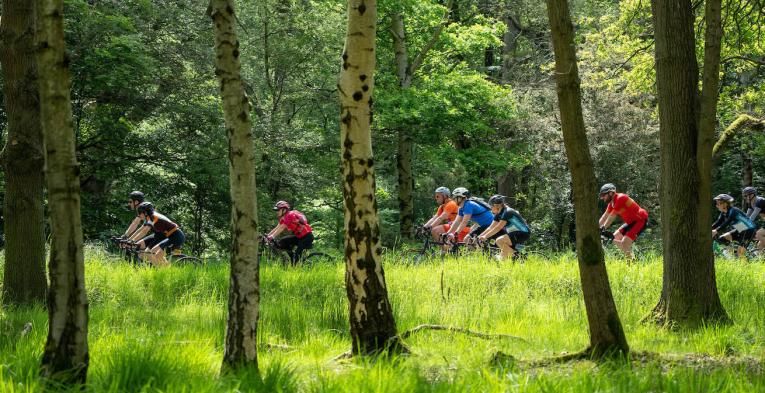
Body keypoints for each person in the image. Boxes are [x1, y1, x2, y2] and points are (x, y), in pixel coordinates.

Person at [598, 183, 649, 259]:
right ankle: (632, 257)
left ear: (611, 193)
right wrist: (595, 228)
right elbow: (604, 216)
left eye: (603, 195)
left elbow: (612, 216)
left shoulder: (620, 198)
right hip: (630, 222)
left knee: (625, 242)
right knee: (614, 238)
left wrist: (603, 228)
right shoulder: (611, 203)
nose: (602, 198)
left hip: (640, 219)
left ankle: (631, 263)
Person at [477, 195, 531, 260]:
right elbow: (491, 227)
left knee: (499, 240)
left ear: (497, 206)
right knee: (501, 259)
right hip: (514, 233)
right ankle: (517, 259)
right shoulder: (498, 214)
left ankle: (518, 258)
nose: (490, 208)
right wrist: (480, 236)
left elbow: (498, 227)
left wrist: (485, 237)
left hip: (522, 233)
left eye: (491, 206)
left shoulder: (507, 212)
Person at [134, 202, 186, 267]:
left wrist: (133, 241)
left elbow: (144, 231)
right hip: (171, 236)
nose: (139, 215)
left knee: (155, 254)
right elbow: (143, 229)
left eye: (139, 213)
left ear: (145, 213)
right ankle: (166, 268)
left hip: (176, 237)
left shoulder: (154, 218)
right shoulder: (152, 217)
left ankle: (164, 270)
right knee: (151, 252)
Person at [266, 201, 314, 265]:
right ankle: (291, 257)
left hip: (307, 237)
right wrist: (268, 235)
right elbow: (277, 228)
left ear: (284, 210)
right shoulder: (283, 218)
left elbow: (282, 228)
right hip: (300, 237)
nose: (277, 212)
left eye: (278, 210)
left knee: (298, 255)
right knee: (283, 241)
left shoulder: (290, 215)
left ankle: (295, 267)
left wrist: (272, 236)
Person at [712, 194, 756, 258]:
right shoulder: (723, 213)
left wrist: (716, 230)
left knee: (740, 253)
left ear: (725, 204)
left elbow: (727, 222)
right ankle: (732, 258)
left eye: (718, 204)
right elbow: (718, 222)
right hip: (740, 228)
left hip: (749, 229)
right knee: (722, 238)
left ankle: (743, 264)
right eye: (716, 204)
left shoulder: (733, 211)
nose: (717, 206)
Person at [742, 187, 765, 251]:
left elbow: (752, 217)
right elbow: (746, 217)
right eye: (744, 196)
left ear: (752, 195)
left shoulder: (760, 201)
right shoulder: (751, 203)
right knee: (760, 245)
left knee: (758, 234)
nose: (745, 197)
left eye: (746, 195)